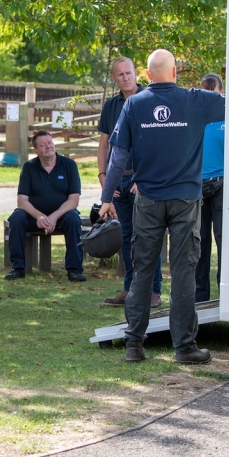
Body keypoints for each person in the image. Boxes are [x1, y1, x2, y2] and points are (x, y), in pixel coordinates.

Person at [99, 49, 225, 364]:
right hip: (185, 201)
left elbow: (117, 158)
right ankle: (184, 348)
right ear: (175, 71)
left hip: (148, 201)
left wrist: (105, 197)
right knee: (183, 272)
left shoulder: (133, 104)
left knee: (142, 271)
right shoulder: (197, 100)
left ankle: (134, 346)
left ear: (148, 74)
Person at [97, 57, 162, 309]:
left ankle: (154, 291)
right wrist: (104, 178)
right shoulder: (111, 106)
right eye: (120, 75)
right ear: (114, 78)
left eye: (129, 73)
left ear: (137, 74)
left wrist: (144, 177)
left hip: (142, 181)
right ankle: (130, 288)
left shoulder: (149, 100)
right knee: (124, 236)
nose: (126, 78)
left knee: (148, 237)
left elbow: (157, 144)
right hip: (117, 182)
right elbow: (104, 145)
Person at [4, 130, 85, 281]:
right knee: (16, 217)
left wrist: (53, 217)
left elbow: (73, 200)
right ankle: (18, 267)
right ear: (36, 150)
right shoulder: (29, 167)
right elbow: (22, 201)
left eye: (50, 143)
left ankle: (74, 269)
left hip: (61, 216)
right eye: (43, 145)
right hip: (34, 216)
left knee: (73, 218)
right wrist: (39, 216)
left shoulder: (69, 165)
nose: (48, 147)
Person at [196, 73, 226, 303]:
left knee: (223, 239)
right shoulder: (197, 118)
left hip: (223, 184)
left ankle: (226, 292)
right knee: (200, 240)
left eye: (213, 93)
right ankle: (200, 297)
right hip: (198, 186)